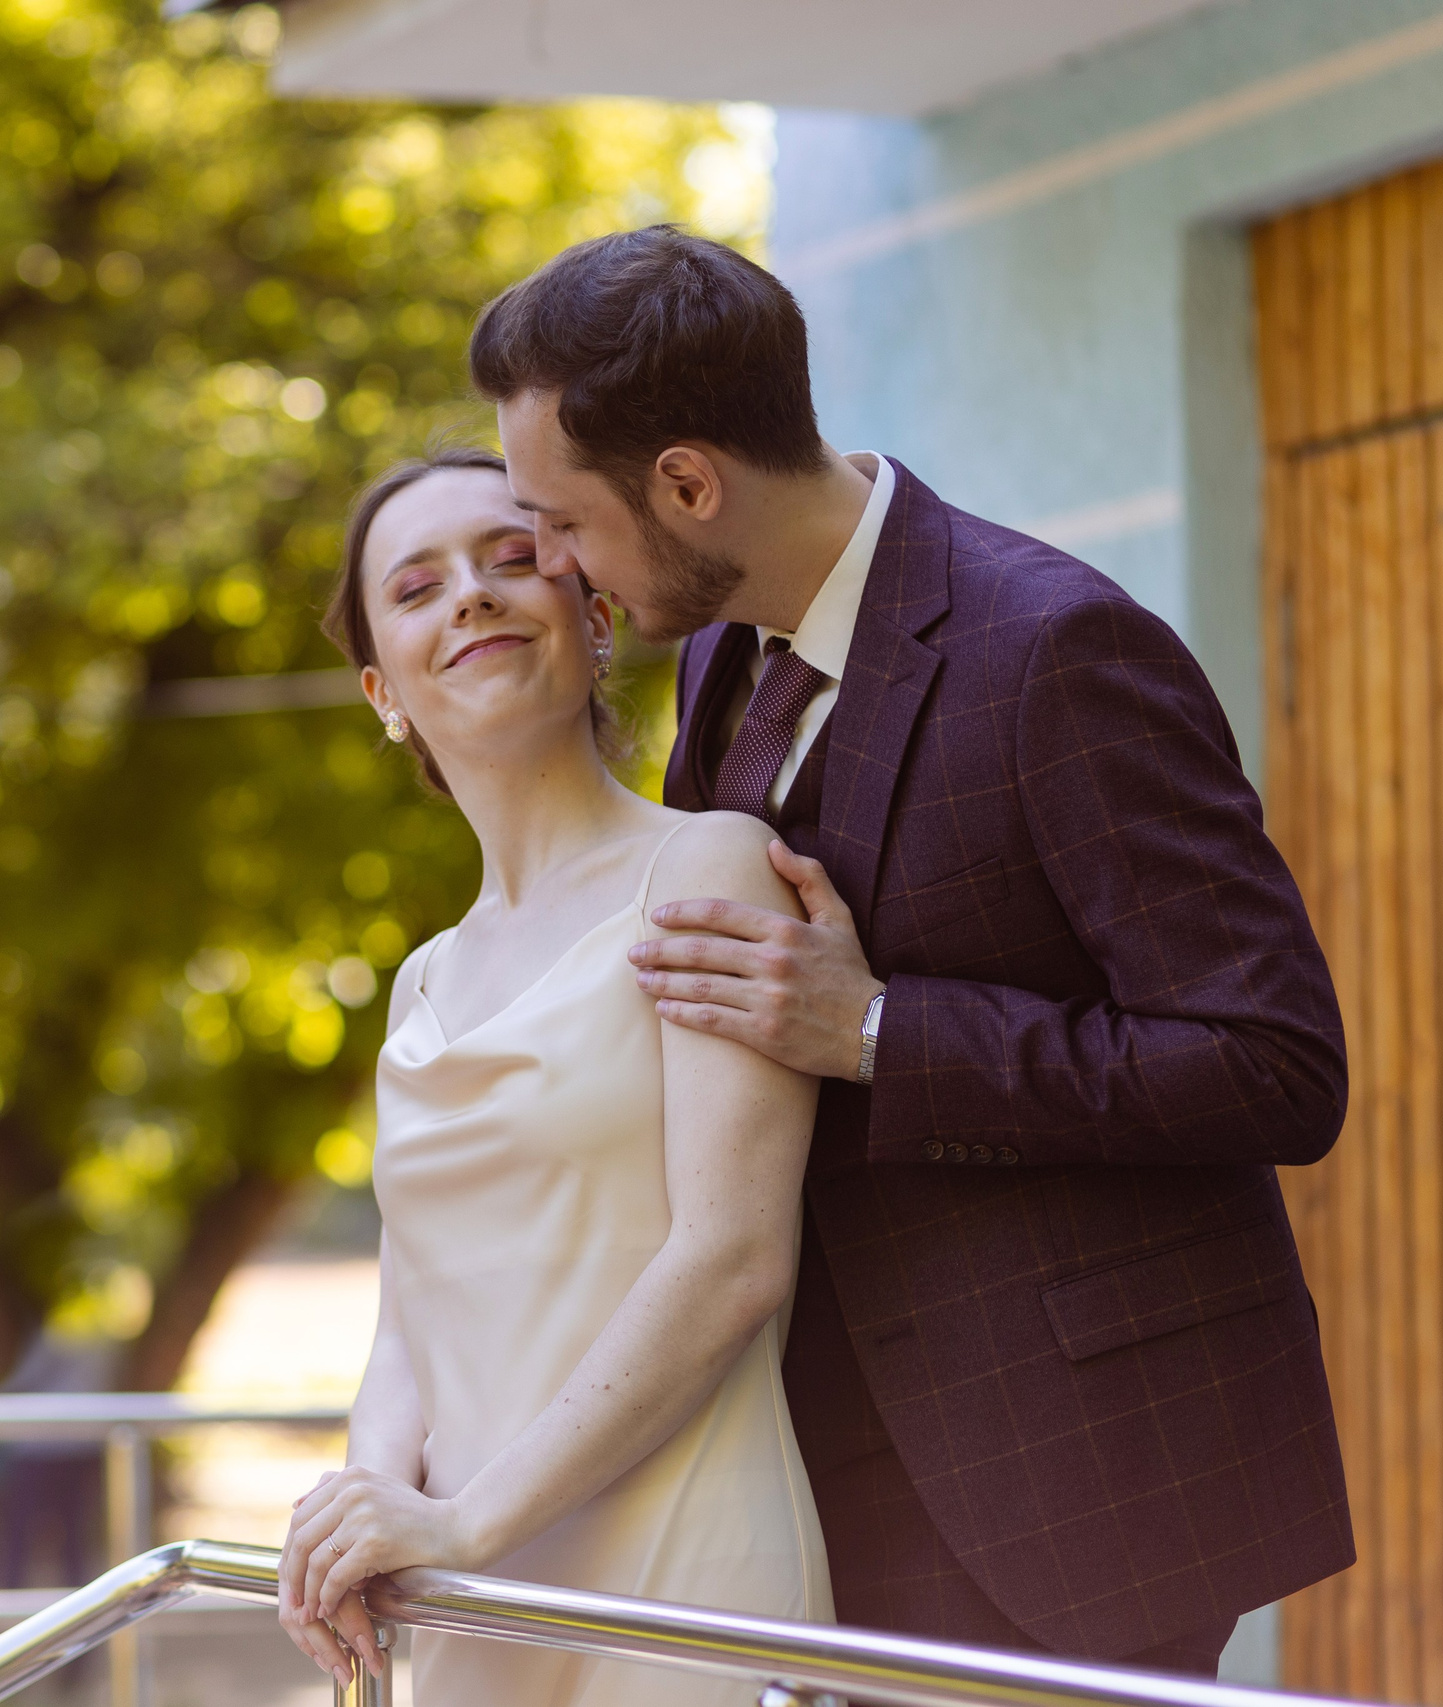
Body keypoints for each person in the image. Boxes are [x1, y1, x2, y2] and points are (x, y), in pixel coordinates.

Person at [468, 224, 1353, 1674]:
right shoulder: (716, 648)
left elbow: (1274, 1063)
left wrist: (880, 1030)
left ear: (689, 482)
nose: (556, 569)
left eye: (561, 522)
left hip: (1073, 1479)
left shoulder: (1057, 649)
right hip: (820, 1461)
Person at [275, 446, 833, 1707]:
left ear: (590, 613)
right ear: (383, 690)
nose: (467, 595)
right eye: (415, 589)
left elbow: (734, 1257)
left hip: (686, 1576)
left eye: (510, 559)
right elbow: (408, 1321)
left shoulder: (706, 871)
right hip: (477, 1604)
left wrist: (465, 1523)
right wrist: (364, 1517)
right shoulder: (417, 985)